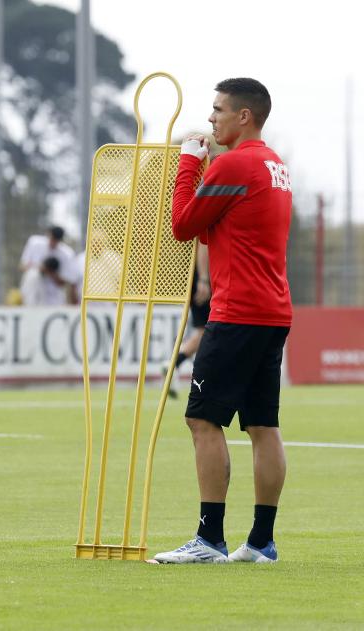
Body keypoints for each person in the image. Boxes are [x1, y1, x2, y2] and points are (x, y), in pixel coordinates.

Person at [148, 78, 292, 564]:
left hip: (238, 312)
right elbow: (219, 230)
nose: (211, 119)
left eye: (218, 110)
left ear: (243, 116)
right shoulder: (275, 166)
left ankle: (209, 539)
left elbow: (183, 225)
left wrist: (189, 161)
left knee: (202, 419)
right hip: (273, 310)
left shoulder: (234, 163)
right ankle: (261, 543)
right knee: (262, 425)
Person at [161, 242, 211, 398]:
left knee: (206, 331)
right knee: (209, 330)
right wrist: (203, 278)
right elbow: (204, 242)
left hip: (197, 275)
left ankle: (174, 363)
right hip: (204, 278)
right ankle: (175, 362)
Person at [19, 226, 75, 306]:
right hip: (33, 292)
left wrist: (50, 272)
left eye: (56, 240)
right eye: (52, 239)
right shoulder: (35, 243)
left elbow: (64, 282)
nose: (53, 242)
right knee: (33, 274)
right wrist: (40, 268)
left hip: (54, 297)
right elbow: (22, 266)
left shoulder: (67, 253)